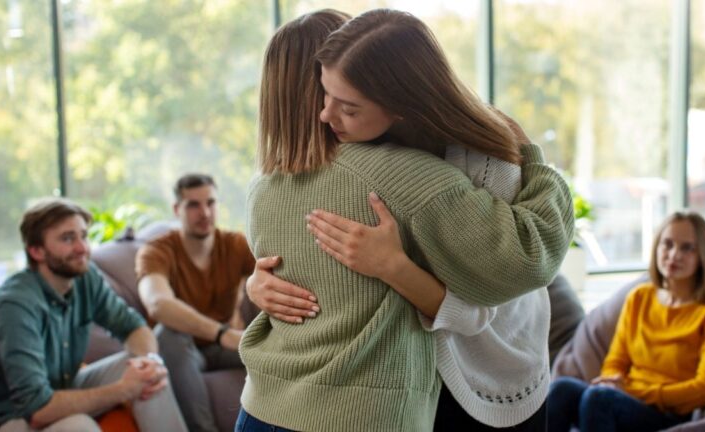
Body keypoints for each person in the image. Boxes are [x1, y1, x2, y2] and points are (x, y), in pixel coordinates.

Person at [237, 9, 574, 432]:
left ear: (393, 94)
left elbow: (496, 294)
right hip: (404, 390)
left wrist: (394, 268)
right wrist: (257, 283)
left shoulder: (446, 166)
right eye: (327, 93)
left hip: (487, 375)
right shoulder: (320, 175)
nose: (326, 114)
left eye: (347, 103)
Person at [0, 198, 187, 432]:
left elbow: (132, 326)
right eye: (67, 239)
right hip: (7, 418)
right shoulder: (15, 307)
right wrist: (123, 390)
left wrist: (151, 362)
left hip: (61, 387)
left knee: (145, 372)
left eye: (83, 236)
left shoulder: (84, 278)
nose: (82, 248)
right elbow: (37, 409)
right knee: (79, 426)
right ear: (36, 251)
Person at [547, 211, 705, 432]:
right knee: (562, 388)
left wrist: (632, 391)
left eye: (687, 248)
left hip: (670, 413)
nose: (674, 255)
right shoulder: (640, 297)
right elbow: (615, 360)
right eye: (667, 244)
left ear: (703, 255)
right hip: (624, 399)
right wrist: (612, 381)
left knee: (599, 398)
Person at [136, 173, 256, 432]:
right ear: (176, 209)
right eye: (193, 205)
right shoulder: (156, 251)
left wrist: (245, 294)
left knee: (280, 345)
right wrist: (222, 333)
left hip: (226, 347)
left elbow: (279, 272)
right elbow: (157, 303)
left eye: (210, 203)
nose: (205, 213)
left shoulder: (235, 245)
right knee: (166, 334)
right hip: (181, 349)